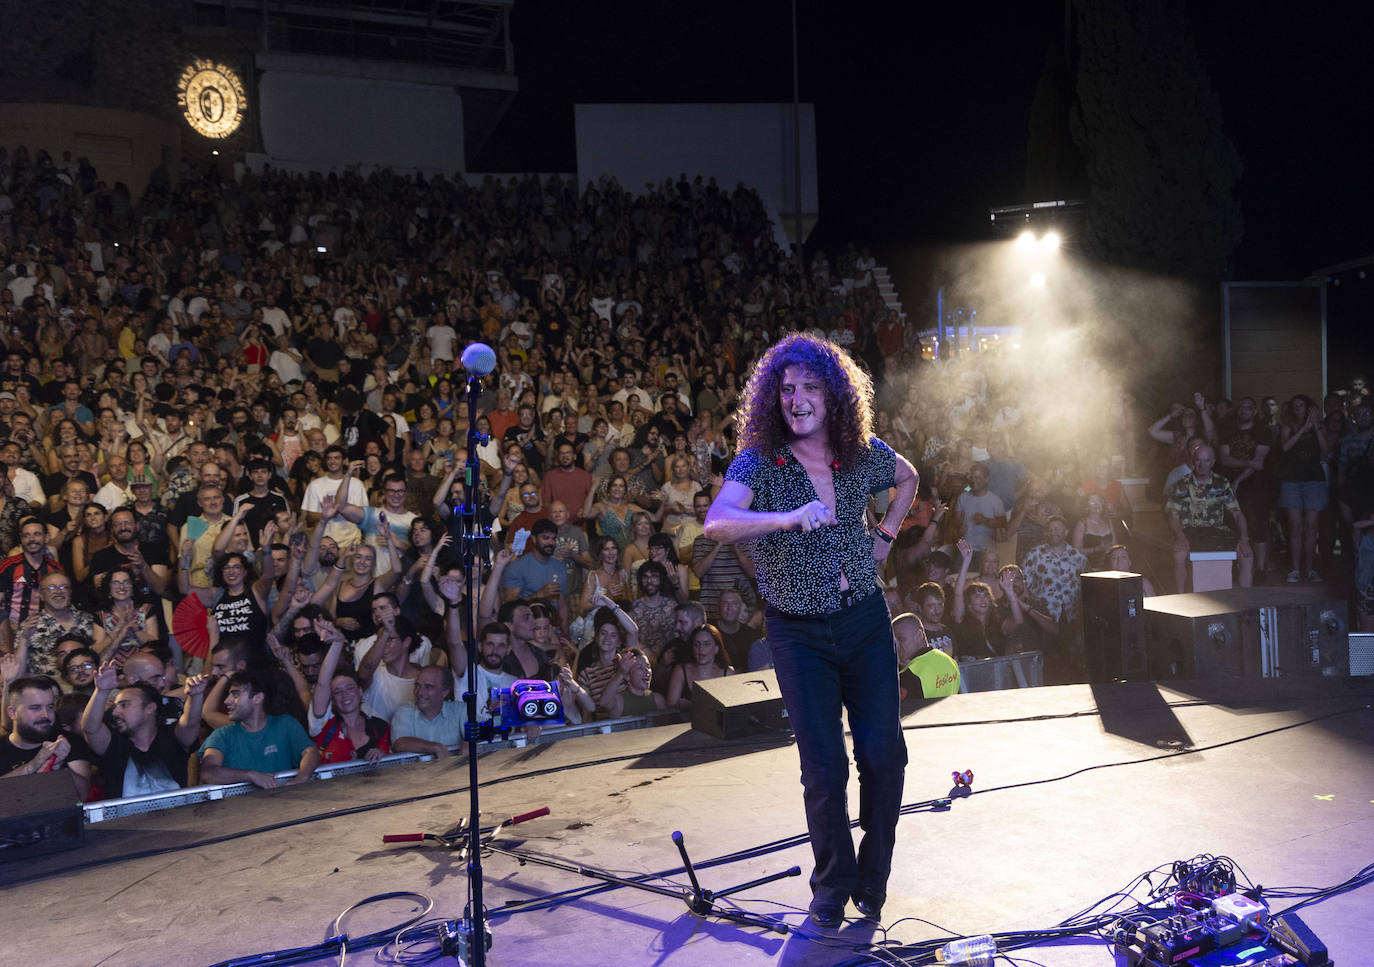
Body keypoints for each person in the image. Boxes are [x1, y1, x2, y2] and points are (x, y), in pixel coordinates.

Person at [704, 333, 917, 928]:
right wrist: (788, 518)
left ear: (835, 396)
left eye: (810, 387)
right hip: (798, 634)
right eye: (787, 388)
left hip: (866, 624)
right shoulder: (760, 463)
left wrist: (886, 535)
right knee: (824, 767)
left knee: (884, 755)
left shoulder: (859, 454)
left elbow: (909, 478)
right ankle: (831, 886)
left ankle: (872, 880)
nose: (797, 398)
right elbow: (717, 521)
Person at [79, 662, 208, 798]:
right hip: (127, 819)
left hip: (177, 817)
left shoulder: (172, 737)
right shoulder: (114, 743)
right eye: (115, 707)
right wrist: (101, 691)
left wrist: (196, 695)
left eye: (124, 705)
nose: (115, 712)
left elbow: (190, 723)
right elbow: (90, 729)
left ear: (149, 708)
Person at [199, 670, 320, 789]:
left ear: (258, 698)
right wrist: (251, 776)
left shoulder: (286, 724)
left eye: (235, 694)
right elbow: (208, 772)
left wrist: (302, 777)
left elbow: (311, 752)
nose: (226, 701)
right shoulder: (221, 735)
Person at [1165, 444, 1253, 592]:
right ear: (1193, 461)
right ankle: (1179, 599)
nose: (1202, 464)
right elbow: (1173, 515)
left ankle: (1246, 602)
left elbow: (1237, 513)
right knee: (1178, 556)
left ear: (1212, 462)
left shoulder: (1222, 483)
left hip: (1216, 532)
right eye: (1199, 460)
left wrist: (1245, 539)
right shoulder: (1181, 484)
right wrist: (1180, 536)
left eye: (1206, 460)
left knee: (1247, 555)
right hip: (1189, 532)